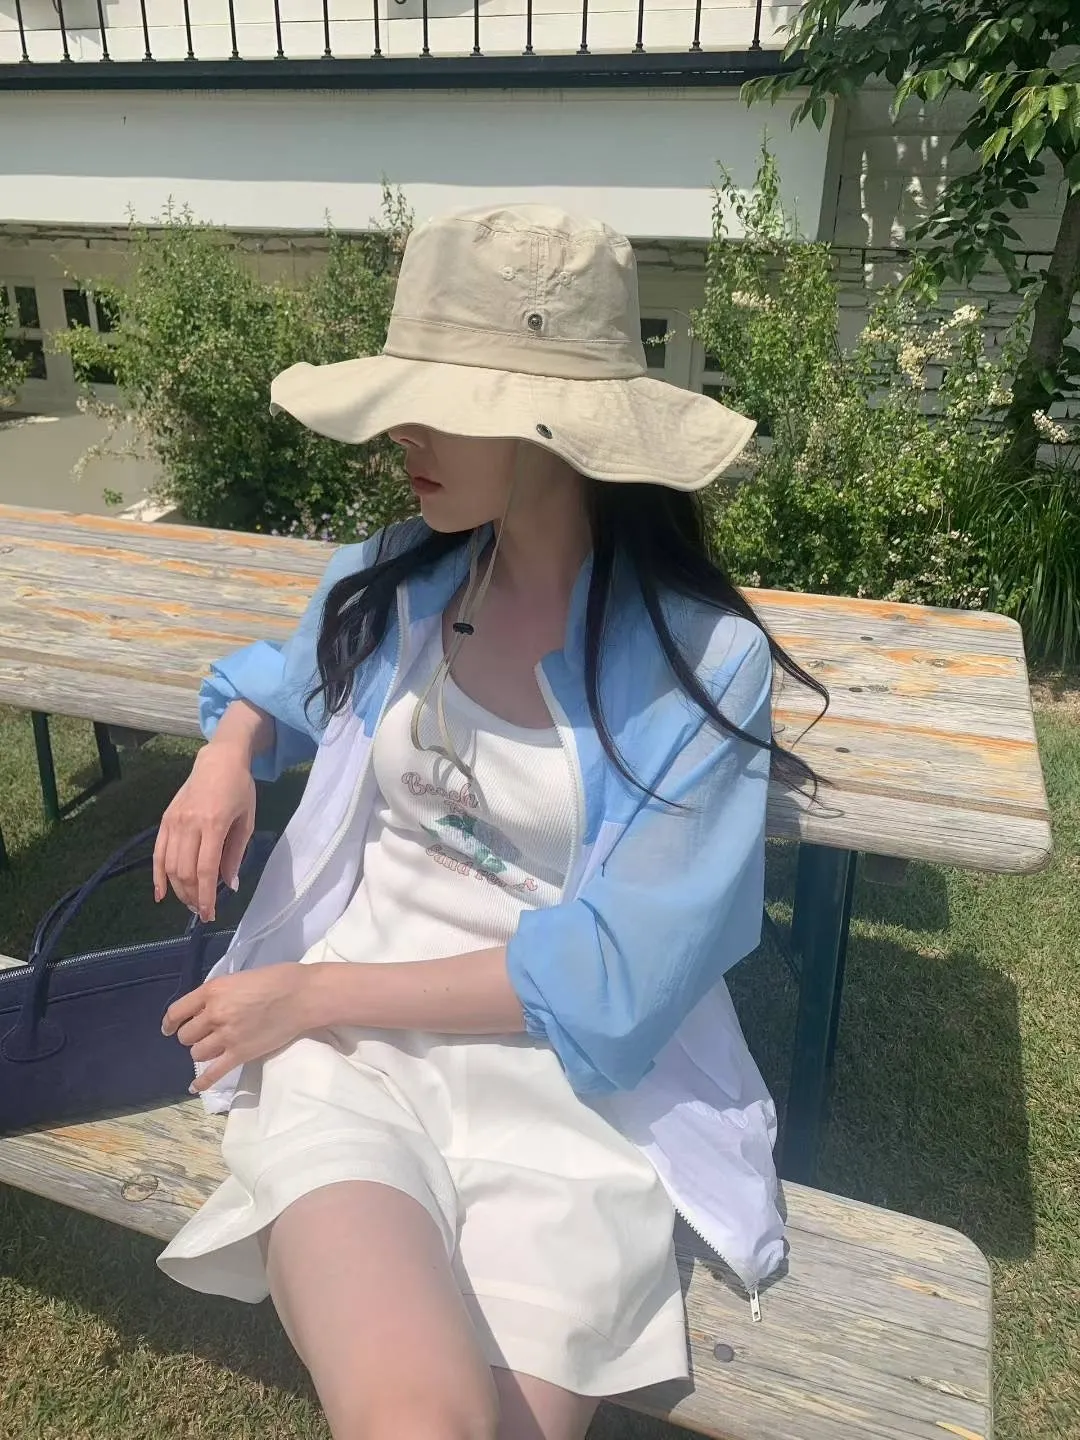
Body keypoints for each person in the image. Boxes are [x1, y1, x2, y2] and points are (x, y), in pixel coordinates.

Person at [152, 204, 825, 1440]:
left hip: (575, 1095)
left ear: (551, 427)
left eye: (439, 399)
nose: (400, 430)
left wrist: (309, 993)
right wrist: (225, 755)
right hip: (349, 1064)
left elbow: (620, 977)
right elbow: (276, 684)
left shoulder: (700, 664)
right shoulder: (399, 580)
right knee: (416, 1414)